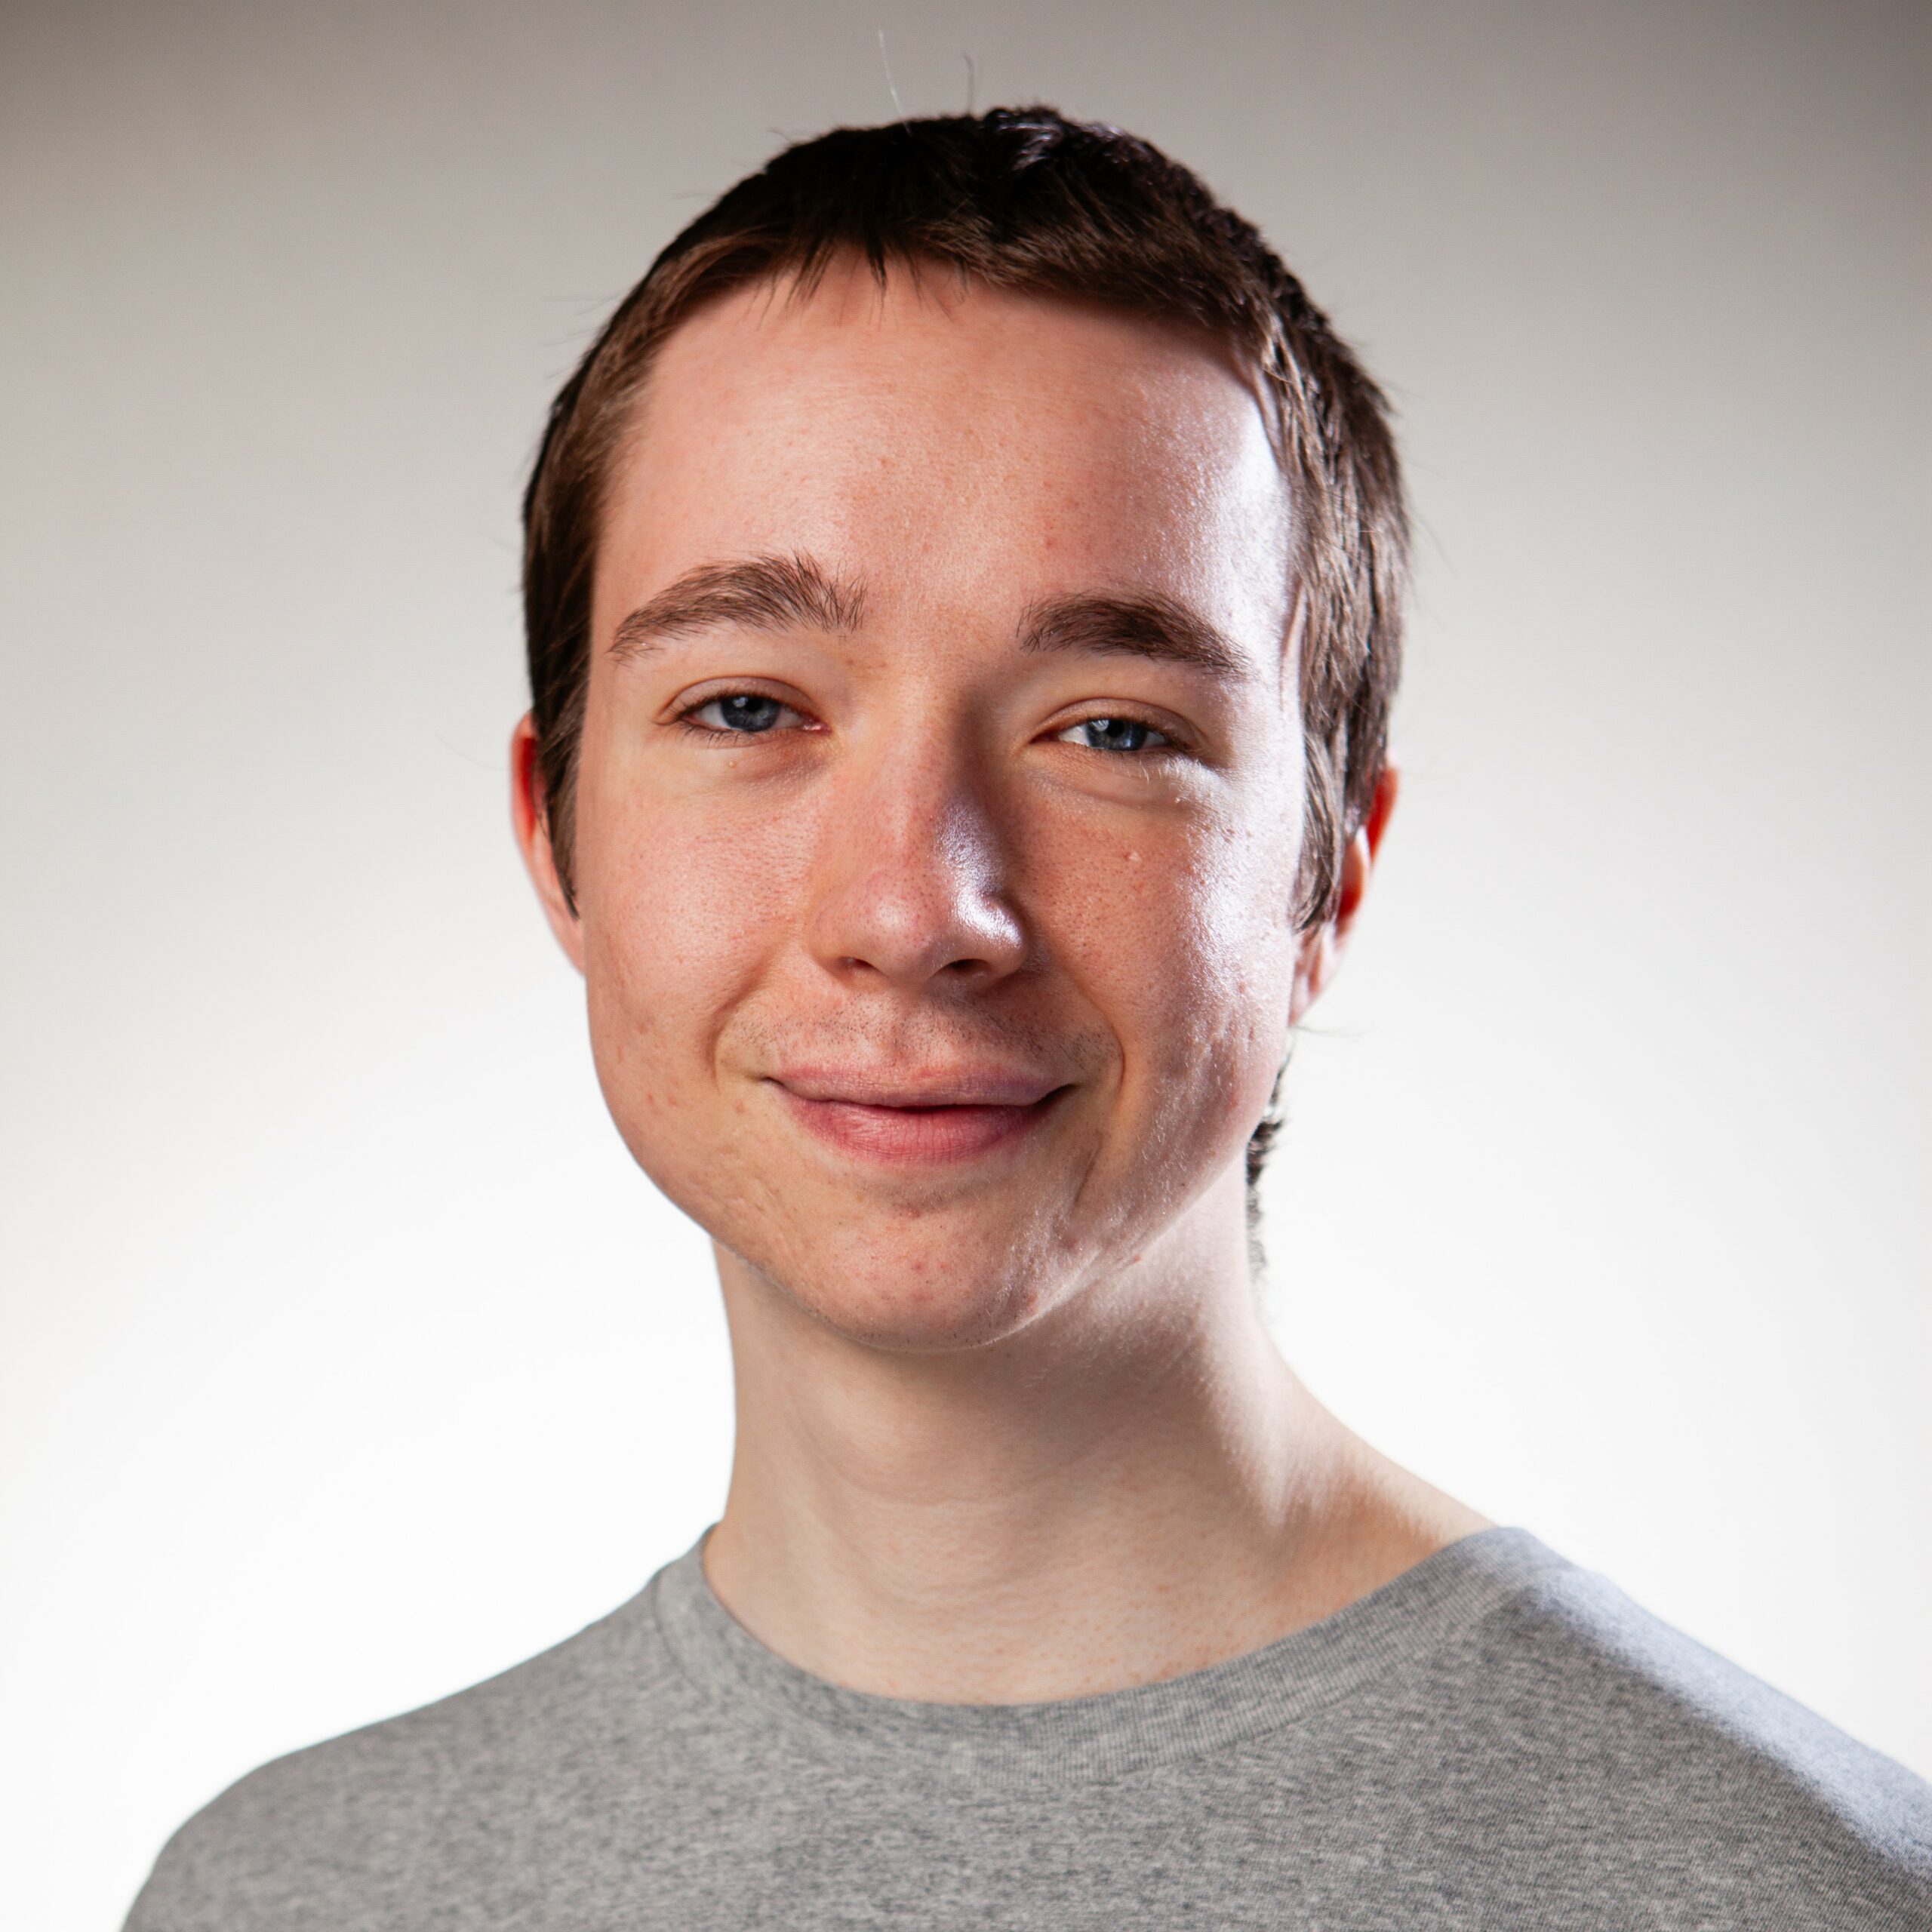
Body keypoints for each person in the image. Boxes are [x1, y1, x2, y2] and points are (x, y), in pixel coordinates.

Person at [125, 106, 1930, 1930]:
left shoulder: (1800, 1895)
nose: (912, 911)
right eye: (748, 708)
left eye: (1113, 729)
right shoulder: (283, 1897)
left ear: (1328, 875)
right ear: (554, 832)